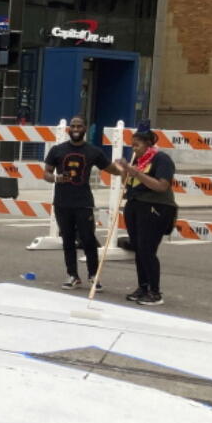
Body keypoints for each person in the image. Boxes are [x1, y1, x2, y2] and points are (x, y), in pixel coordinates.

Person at [43, 115, 122, 290]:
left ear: (85, 129)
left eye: (79, 126)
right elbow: (46, 174)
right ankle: (72, 275)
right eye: (73, 126)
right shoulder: (57, 150)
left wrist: (126, 171)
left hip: (83, 202)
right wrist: (57, 178)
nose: (76, 129)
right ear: (68, 129)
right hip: (62, 203)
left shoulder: (93, 152)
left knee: (88, 239)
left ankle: (93, 276)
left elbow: (112, 169)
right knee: (68, 240)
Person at [114, 125, 177, 306]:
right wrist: (125, 170)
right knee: (138, 248)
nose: (134, 149)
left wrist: (138, 174)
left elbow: (161, 185)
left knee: (147, 249)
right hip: (135, 205)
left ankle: (155, 292)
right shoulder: (138, 161)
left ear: (148, 144)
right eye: (132, 146)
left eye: (137, 145)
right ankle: (143, 286)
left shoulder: (161, 159)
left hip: (155, 207)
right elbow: (127, 183)